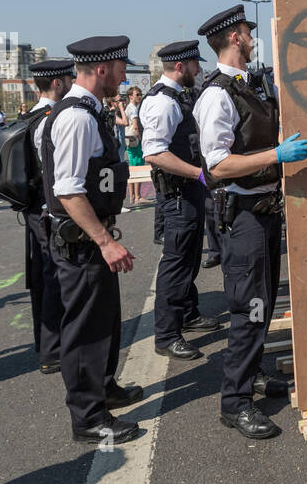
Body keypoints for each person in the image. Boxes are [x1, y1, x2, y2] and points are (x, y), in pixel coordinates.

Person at [195, 4, 307, 439]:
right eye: (247, 30)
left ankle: (255, 376)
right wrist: (276, 157)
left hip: (264, 210)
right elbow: (218, 165)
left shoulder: (252, 85)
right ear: (233, 38)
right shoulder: (216, 95)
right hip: (242, 214)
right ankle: (235, 402)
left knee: (264, 304)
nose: (252, 35)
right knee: (248, 309)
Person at [40, 35, 143, 443]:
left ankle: (104, 388)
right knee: (85, 331)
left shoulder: (90, 111)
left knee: (104, 321)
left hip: (88, 241)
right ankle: (87, 417)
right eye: (121, 68)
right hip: (81, 243)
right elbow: (68, 190)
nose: (124, 75)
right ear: (102, 69)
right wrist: (105, 241)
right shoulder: (77, 117)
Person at [142, 40, 222, 361]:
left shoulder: (178, 97)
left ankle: (188, 313)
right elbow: (154, 153)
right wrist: (198, 174)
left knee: (188, 257)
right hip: (177, 194)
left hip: (187, 192)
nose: (198, 70)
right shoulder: (163, 103)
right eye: (194, 65)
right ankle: (167, 334)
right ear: (180, 67)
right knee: (176, 263)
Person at [25, 59, 75, 375]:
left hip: (31, 208)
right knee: (55, 277)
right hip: (47, 208)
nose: (72, 82)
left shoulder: (29, 115)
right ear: (57, 83)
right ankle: (53, 350)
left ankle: (43, 341)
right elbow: (53, 170)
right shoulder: (49, 119)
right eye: (69, 78)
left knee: (42, 277)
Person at [125, 88, 144, 209]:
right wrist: (142, 140)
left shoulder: (128, 107)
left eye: (140, 94)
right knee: (138, 168)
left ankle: (133, 196)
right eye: (137, 95)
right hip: (135, 141)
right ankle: (137, 196)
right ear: (130, 96)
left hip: (129, 140)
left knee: (132, 168)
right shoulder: (133, 109)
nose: (139, 96)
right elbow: (136, 127)